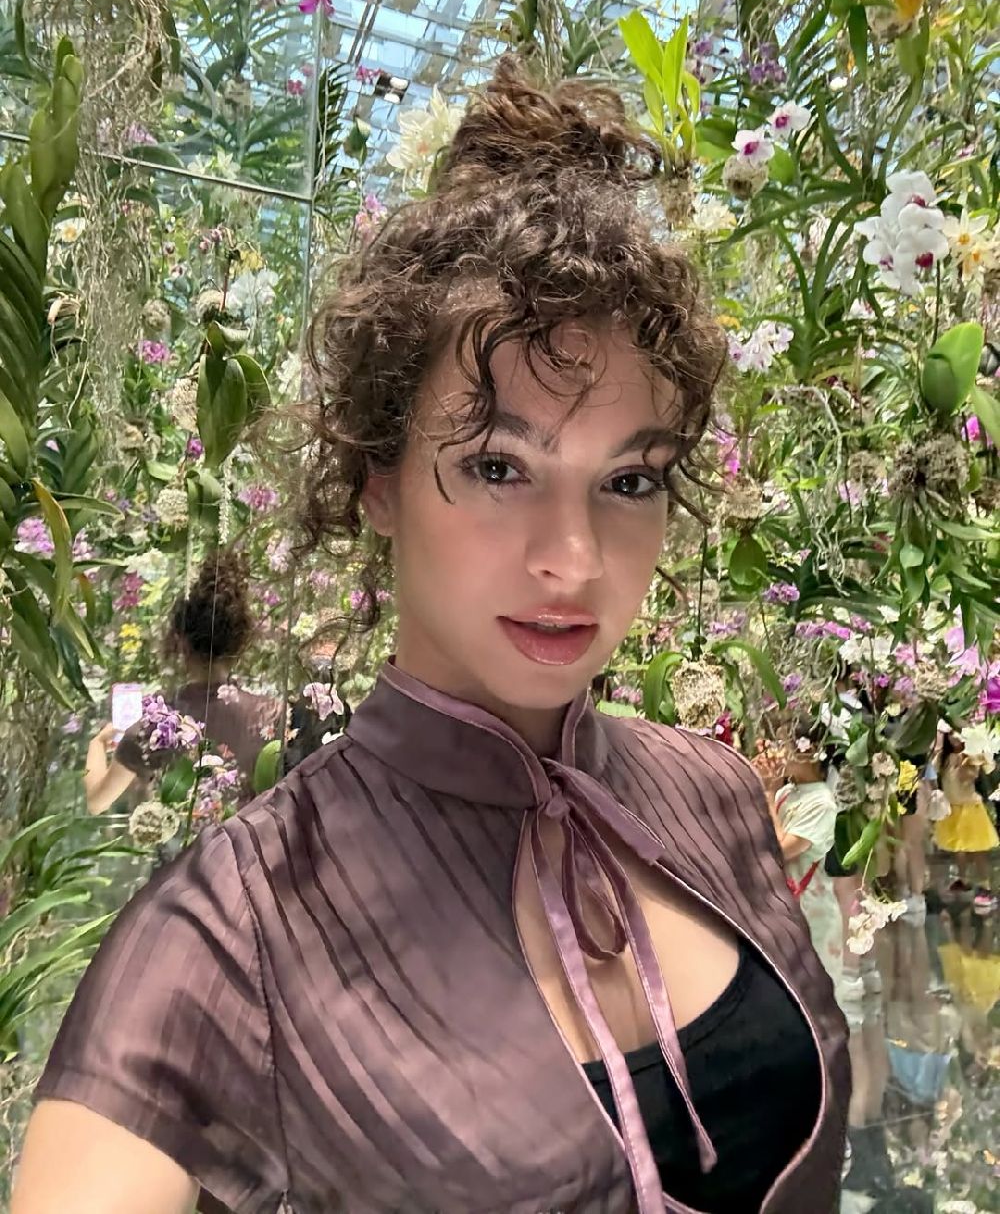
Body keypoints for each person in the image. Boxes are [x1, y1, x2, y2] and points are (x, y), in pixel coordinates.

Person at [14, 60, 849, 1214]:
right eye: (499, 467)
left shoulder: (712, 797)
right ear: (378, 478)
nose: (573, 558)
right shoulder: (235, 927)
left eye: (628, 479)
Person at [82, 549, 279, 815]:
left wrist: (97, 743)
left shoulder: (154, 723)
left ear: (180, 642)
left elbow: (97, 801)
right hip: (251, 842)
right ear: (239, 642)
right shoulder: (271, 715)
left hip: (181, 844)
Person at [768, 721, 845, 1005]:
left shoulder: (822, 803)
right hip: (784, 907)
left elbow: (780, 849)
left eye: (784, 745)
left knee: (814, 999)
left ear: (808, 752)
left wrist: (767, 792)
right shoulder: (786, 793)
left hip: (812, 913)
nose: (778, 753)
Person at [935, 731, 999, 914]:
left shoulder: (971, 755)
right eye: (951, 734)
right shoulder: (943, 757)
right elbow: (934, 770)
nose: (955, 738)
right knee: (959, 849)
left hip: (970, 808)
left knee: (977, 850)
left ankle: (985, 885)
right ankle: (963, 879)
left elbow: (982, 770)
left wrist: (972, 760)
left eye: (958, 735)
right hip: (952, 808)